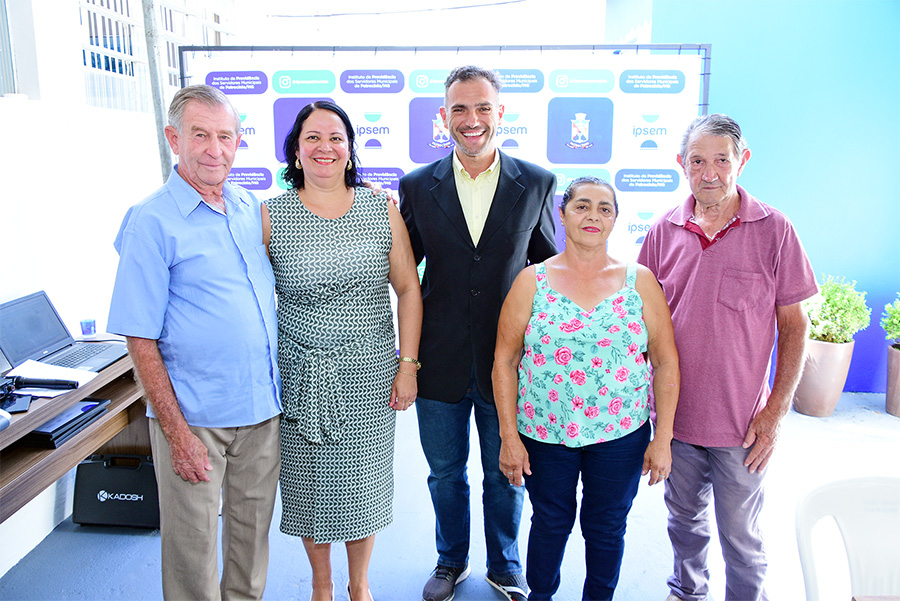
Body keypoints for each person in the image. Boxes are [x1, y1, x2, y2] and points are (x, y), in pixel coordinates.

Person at [107, 84, 281, 600]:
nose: (214, 148)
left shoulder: (250, 207)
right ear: (173, 138)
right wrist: (176, 431)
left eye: (225, 136)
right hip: (195, 418)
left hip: (261, 410)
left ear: (238, 141)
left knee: (251, 547)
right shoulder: (151, 220)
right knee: (192, 553)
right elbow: (139, 336)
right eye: (200, 135)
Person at [637, 114, 817, 601]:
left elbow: (794, 325)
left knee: (741, 538)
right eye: (698, 161)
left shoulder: (775, 229)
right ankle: (687, 594)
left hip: (742, 427)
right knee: (685, 528)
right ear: (682, 165)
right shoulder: (662, 231)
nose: (709, 172)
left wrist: (775, 411)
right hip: (674, 422)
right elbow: (642, 328)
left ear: (743, 161)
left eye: (722, 159)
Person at [399, 65, 558, 601]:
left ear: (500, 113)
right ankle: (450, 560)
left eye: (483, 108)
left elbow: (549, 271)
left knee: (504, 473)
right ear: (444, 118)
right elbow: (403, 272)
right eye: (460, 110)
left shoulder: (535, 182)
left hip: (509, 365)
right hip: (439, 360)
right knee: (445, 474)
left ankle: (505, 564)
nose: (472, 120)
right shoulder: (418, 186)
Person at [263, 101, 422, 601]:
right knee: (311, 487)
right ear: (295, 149)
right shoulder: (270, 215)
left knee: (361, 487)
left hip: (370, 377)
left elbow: (409, 290)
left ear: (350, 148)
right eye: (313, 137)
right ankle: (321, 584)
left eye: (336, 137)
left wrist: (408, 365)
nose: (325, 147)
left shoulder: (381, 209)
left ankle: (359, 584)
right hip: (301, 376)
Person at [493, 177, 680, 601]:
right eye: (581, 206)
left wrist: (663, 437)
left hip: (621, 435)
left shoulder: (640, 282)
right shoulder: (531, 281)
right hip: (544, 434)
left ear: (615, 220)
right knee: (550, 523)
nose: (592, 215)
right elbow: (504, 361)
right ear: (562, 215)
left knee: (607, 526)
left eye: (604, 208)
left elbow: (666, 360)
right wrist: (508, 437)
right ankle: (540, 595)